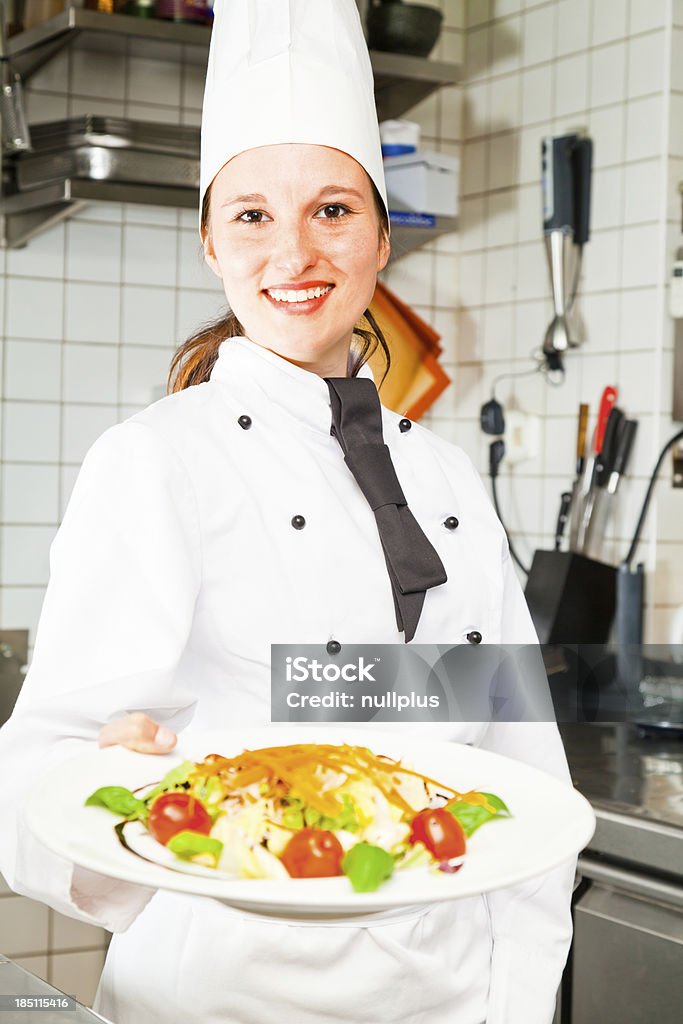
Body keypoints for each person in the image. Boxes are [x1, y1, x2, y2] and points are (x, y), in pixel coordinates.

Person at [0, 2, 576, 1022]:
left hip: (450, 995)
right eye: (252, 215)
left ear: (380, 235)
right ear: (211, 246)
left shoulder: (444, 482)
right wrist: (107, 778)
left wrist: (514, 998)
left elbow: (516, 768)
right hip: (223, 996)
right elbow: (37, 772)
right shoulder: (155, 463)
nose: (293, 252)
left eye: (331, 210)